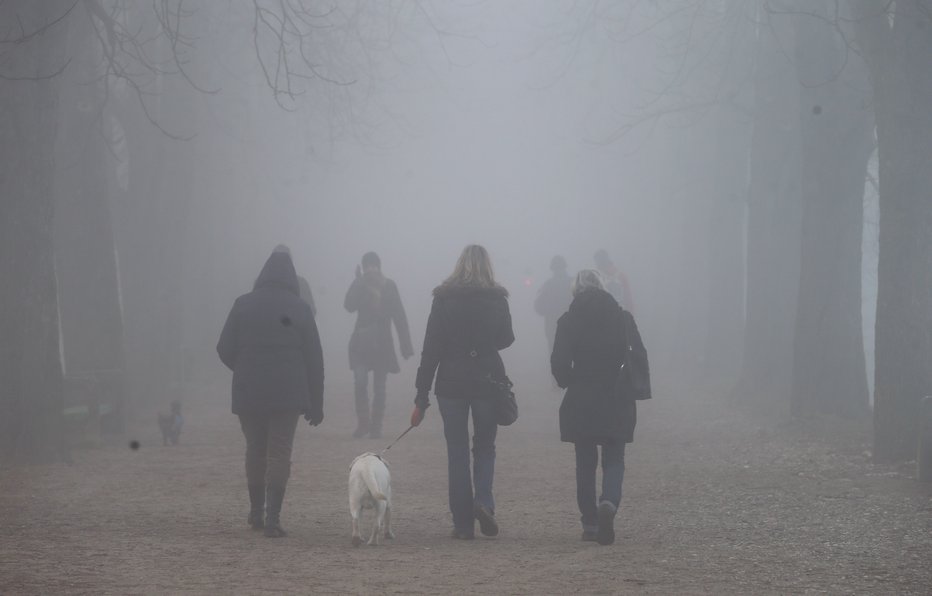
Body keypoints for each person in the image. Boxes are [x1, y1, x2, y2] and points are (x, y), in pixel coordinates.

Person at [217, 247, 324, 538]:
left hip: (249, 389)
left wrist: (243, 368)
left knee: (255, 449)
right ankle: (273, 518)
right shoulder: (299, 307)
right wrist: (316, 403)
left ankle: (256, 512)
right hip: (287, 391)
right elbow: (314, 358)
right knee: (279, 451)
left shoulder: (243, 304)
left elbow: (223, 348)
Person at [410, 244, 515, 539]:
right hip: (486, 381)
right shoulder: (497, 299)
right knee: (484, 446)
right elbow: (506, 338)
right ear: (487, 267)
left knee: (456, 452)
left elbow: (431, 349)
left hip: (451, 384)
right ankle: (483, 502)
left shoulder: (443, 300)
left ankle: (462, 523)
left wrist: (421, 395)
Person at [550, 269, 649, 545]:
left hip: (582, 396)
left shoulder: (568, 321)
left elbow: (559, 362)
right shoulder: (622, 318)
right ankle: (609, 501)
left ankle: (590, 523)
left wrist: (569, 381)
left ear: (575, 291)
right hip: (617, 395)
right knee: (615, 457)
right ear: (604, 288)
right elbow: (638, 355)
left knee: (585, 461)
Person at [344, 251, 414, 439]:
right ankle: (363, 423)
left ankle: (376, 427)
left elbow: (399, 316)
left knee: (379, 387)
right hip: (360, 343)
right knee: (360, 382)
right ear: (364, 267)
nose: (371, 269)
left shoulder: (389, 286)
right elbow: (348, 306)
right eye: (368, 265)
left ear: (379, 267)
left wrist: (405, 344)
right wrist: (357, 281)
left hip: (383, 344)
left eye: (374, 265)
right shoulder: (360, 284)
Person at [534, 255, 573, 354]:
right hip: (571, 327)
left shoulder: (548, 285)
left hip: (553, 328)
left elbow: (539, 307)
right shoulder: (573, 283)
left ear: (553, 269)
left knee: (556, 359)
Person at [593, 249, 635, 313]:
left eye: (597, 262)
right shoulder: (621, 276)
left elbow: (628, 298)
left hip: (605, 314)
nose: (597, 265)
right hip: (619, 313)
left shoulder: (597, 277)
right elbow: (628, 299)